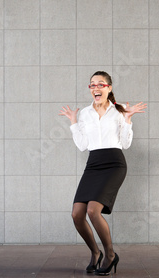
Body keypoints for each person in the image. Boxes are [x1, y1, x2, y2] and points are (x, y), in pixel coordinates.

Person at [59, 71, 147, 275]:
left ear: (109, 88)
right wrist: (73, 122)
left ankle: (110, 255)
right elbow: (82, 146)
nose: (96, 88)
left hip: (114, 164)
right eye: (92, 85)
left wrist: (128, 119)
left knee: (93, 211)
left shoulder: (120, 111)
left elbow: (125, 144)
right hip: (93, 164)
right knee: (77, 214)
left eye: (100, 84)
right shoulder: (85, 113)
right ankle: (95, 252)